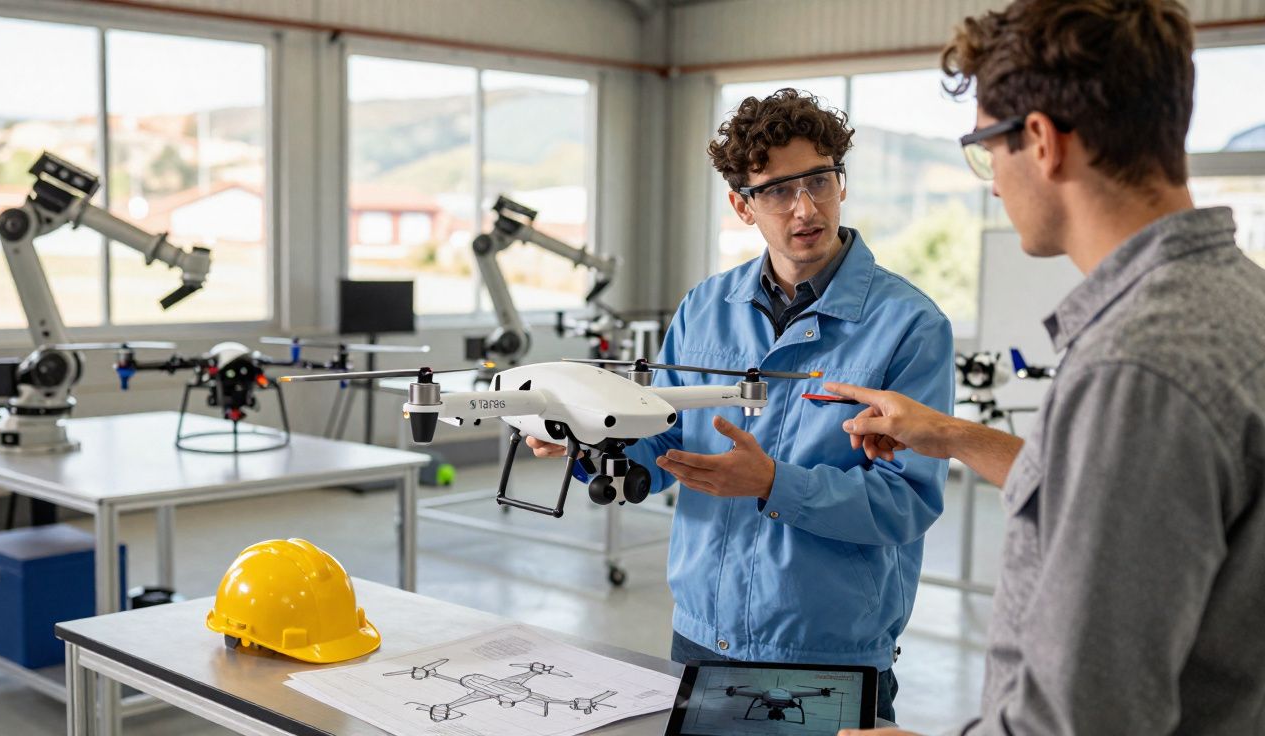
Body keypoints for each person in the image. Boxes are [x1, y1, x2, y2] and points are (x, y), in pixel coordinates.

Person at [831, 1, 1265, 734]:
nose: (992, 183)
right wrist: (954, 436)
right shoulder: (1235, 301)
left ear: (1040, 141)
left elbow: (1080, 718)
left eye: (985, 150)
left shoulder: (1137, 366)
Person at [529, 88, 954, 722]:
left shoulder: (909, 326)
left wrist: (774, 484)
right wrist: (586, 442)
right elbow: (656, 440)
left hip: (829, 649)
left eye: (820, 181)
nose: (805, 207)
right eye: (778, 190)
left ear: (842, 182)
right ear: (742, 205)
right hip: (703, 634)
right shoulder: (705, 308)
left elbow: (905, 502)